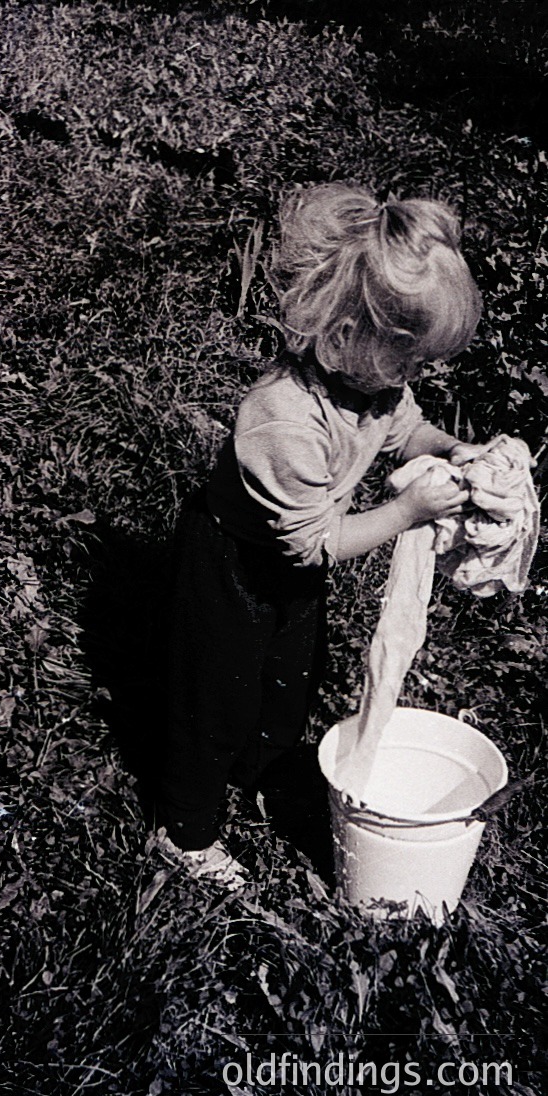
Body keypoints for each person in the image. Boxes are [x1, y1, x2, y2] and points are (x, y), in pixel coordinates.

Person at [151, 182, 494, 889]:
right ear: (345, 336)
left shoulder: (376, 387)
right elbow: (308, 540)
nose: (413, 378)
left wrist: (455, 451)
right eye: (407, 360)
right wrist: (405, 515)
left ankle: (258, 775)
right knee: (214, 702)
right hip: (234, 563)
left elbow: (408, 435)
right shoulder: (282, 420)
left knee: (286, 689)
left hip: (293, 566)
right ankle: (184, 830)